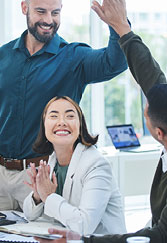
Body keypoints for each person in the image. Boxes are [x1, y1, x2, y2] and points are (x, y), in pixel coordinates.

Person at [35, 0, 167, 243]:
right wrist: (121, 27)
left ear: (158, 132)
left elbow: (164, 235)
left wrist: (85, 241)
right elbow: (153, 78)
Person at [0, 0, 128, 210]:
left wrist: (118, 23)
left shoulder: (74, 57)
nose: (48, 20)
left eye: (55, 13)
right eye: (41, 11)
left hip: (41, 175)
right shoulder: (3, 56)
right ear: (25, 8)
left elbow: (114, 63)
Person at [22, 96, 126, 235]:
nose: (62, 122)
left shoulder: (96, 165)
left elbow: (84, 226)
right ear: (44, 126)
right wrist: (38, 195)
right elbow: (29, 215)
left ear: (80, 125)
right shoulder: (52, 161)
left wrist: (48, 196)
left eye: (70, 116)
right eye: (54, 116)